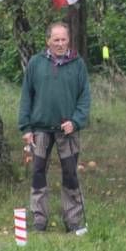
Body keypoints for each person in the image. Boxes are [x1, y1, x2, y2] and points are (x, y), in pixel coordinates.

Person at [19, 22, 91, 235]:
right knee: (38, 173)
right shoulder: (36, 63)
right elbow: (26, 97)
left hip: (67, 131)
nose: (60, 44)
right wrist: (26, 128)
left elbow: (84, 99)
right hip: (40, 129)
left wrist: (76, 121)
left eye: (63, 39)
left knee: (70, 174)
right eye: (56, 40)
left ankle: (74, 222)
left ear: (68, 40)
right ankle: (39, 220)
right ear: (47, 41)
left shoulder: (78, 64)